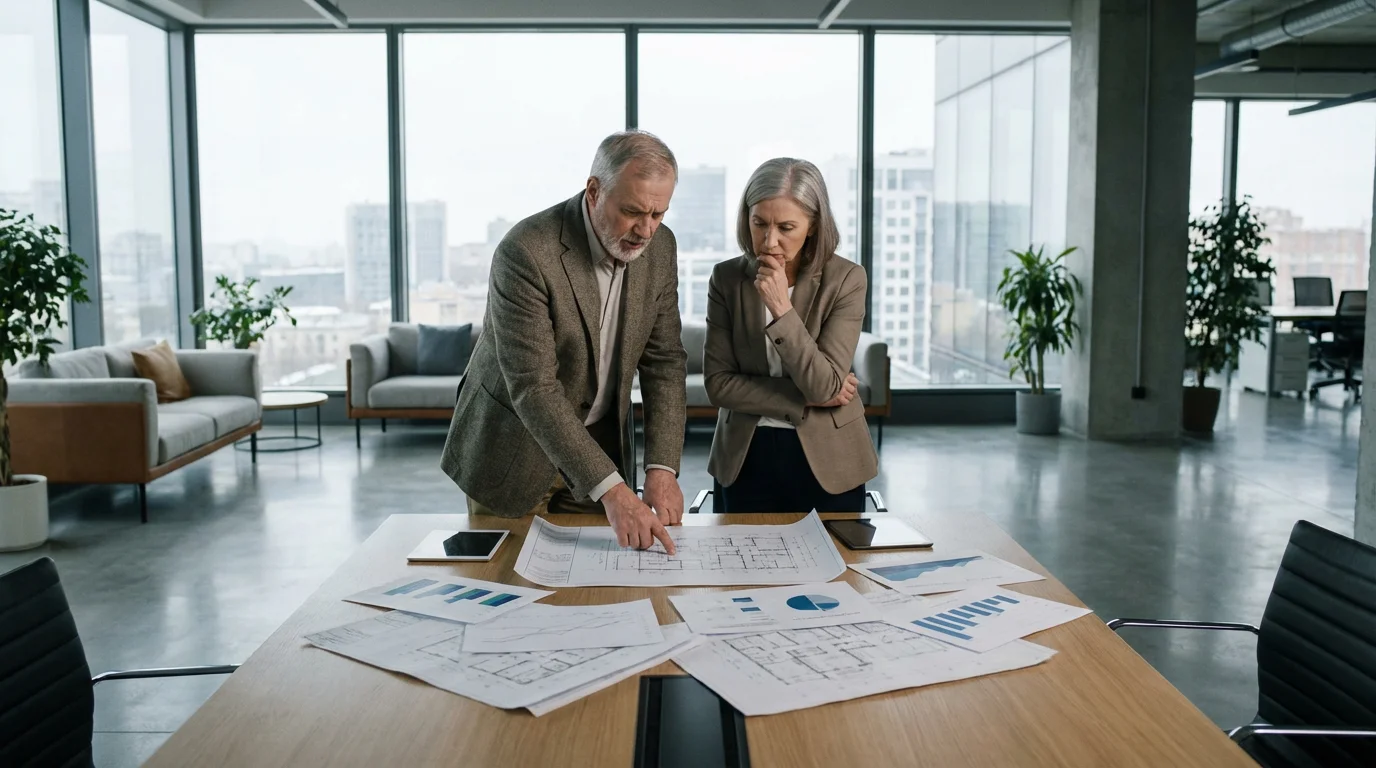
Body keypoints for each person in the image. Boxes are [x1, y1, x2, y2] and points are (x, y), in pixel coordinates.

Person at [441, 131, 687, 553]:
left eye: (658, 214)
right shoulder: (525, 251)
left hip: (599, 447)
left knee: (600, 590)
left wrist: (662, 469)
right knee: (510, 592)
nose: (645, 231)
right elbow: (534, 388)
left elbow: (664, 362)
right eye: (632, 211)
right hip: (511, 448)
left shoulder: (660, 248)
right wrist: (614, 492)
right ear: (594, 190)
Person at [703, 157, 878, 513]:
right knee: (742, 566)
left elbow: (824, 386)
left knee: (837, 566)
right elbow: (718, 384)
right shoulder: (726, 279)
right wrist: (804, 399)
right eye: (759, 224)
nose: (769, 241)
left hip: (831, 458)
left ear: (813, 225)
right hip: (743, 456)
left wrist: (782, 308)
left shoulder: (846, 280)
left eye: (786, 227)